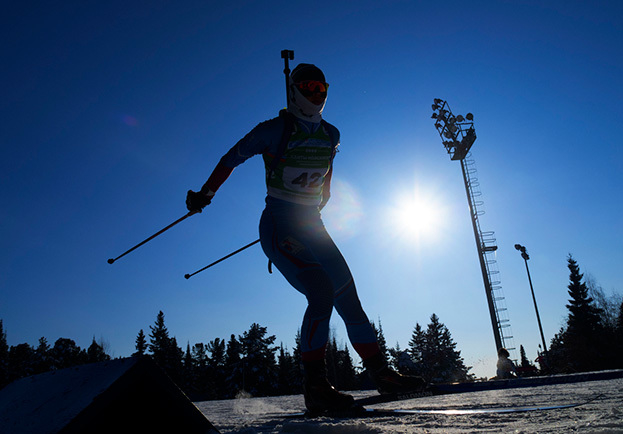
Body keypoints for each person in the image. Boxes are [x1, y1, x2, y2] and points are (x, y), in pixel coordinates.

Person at [186, 62, 425, 412]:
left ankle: (381, 374)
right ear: (295, 90)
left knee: (349, 297)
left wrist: (322, 198)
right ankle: (315, 387)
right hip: (279, 225)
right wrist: (205, 194)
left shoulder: (331, 134)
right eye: (309, 87)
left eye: (322, 87)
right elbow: (231, 157)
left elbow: (327, 173)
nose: (316, 94)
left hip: (312, 226)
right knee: (320, 289)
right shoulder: (273, 129)